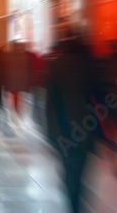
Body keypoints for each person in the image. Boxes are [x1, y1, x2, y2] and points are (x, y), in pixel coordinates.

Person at [46, 33, 101, 213]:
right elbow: (99, 98)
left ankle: (73, 199)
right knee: (79, 171)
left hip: (63, 128)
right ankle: (76, 200)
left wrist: (51, 131)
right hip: (85, 127)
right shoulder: (89, 66)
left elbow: (50, 101)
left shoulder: (56, 66)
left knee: (70, 168)